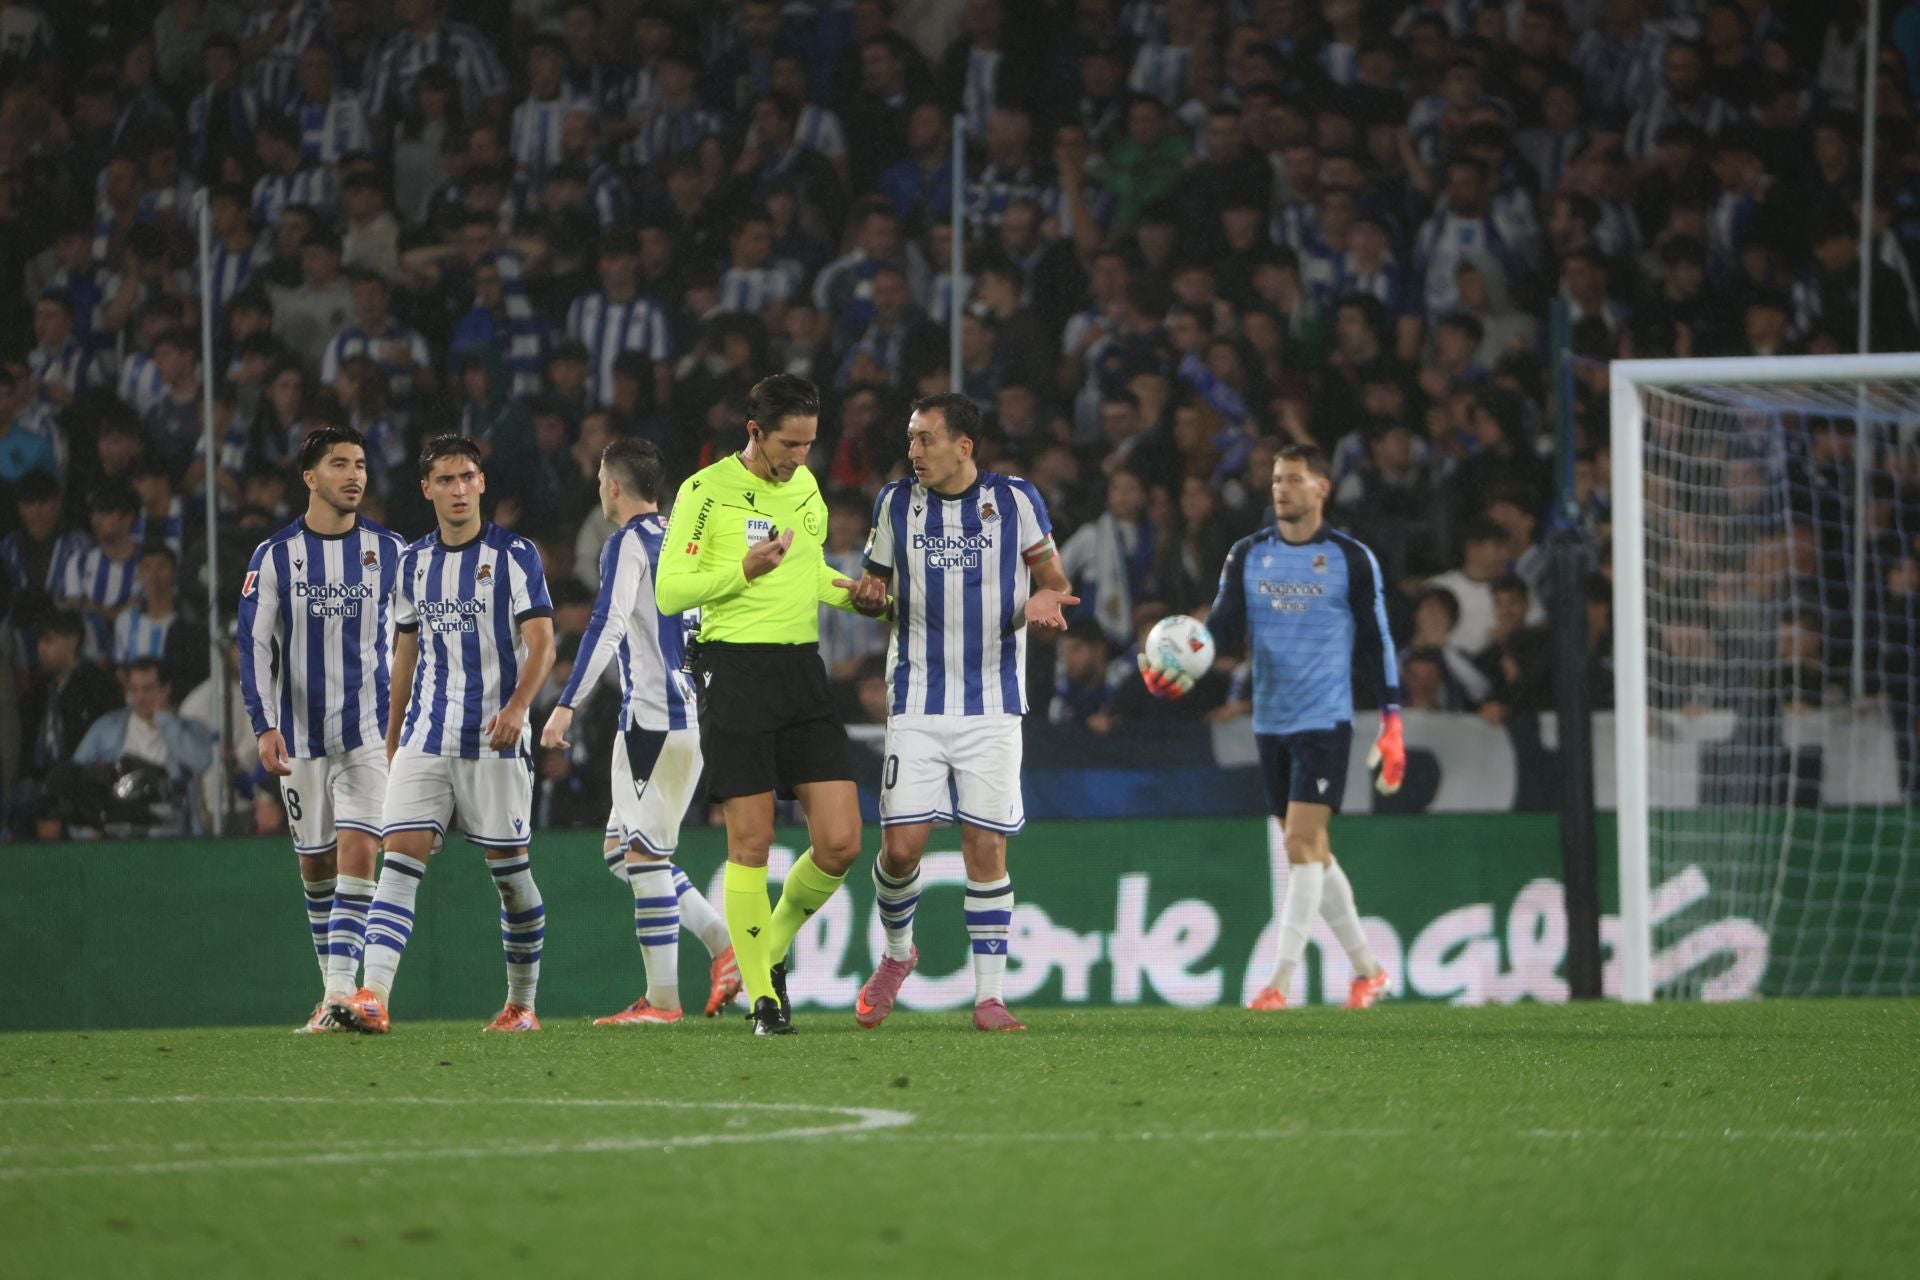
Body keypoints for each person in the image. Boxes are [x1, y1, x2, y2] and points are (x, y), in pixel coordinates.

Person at [653, 374, 888, 1035]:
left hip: (801, 672)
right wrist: (742, 572)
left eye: (809, 444)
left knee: (840, 842)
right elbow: (670, 590)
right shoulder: (704, 491)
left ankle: (769, 947)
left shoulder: (806, 487)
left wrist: (861, 598)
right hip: (734, 671)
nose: (800, 457)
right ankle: (764, 1000)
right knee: (751, 842)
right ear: (754, 432)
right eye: (789, 444)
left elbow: (809, 574)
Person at [838, 393, 1077, 1032]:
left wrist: (1045, 599)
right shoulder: (895, 503)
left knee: (985, 847)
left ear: (963, 446)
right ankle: (897, 955)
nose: (913, 450)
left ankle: (989, 998)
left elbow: (1055, 580)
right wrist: (869, 599)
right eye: (910, 438)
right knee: (900, 850)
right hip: (916, 698)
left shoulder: (1016, 501)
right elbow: (877, 587)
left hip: (992, 704)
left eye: (926, 439)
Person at [329, 435, 556, 1035]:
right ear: (426, 489)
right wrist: (393, 738)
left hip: (495, 740)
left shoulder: (515, 556)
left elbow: (543, 644)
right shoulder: (412, 564)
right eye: (446, 480)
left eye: (468, 478)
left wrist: (518, 707)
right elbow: (404, 656)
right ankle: (374, 996)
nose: (459, 490)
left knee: (511, 878)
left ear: (482, 483)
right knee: (398, 860)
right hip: (426, 737)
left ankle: (521, 1004)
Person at [1174, 443, 1403, 1011]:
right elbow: (1221, 628)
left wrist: (1392, 720)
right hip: (1270, 720)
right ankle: (1370, 972)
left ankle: (1279, 981)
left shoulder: (1350, 558)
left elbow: (1377, 641)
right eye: (1277, 479)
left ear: (1322, 488)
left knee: (1300, 843)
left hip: (1325, 720)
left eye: (1294, 479)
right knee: (1313, 851)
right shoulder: (1248, 554)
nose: (1281, 489)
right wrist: (1181, 663)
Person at [539, 437, 743, 1026]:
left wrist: (566, 704)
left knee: (645, 857)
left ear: (612, 486)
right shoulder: (682, 539)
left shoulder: (626, 543)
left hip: (654, 720)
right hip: (688, 713)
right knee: (619, 852)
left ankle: (662, 1001)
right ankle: (722, 945)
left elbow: (606, 624)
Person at [237, 426, 407, 1033]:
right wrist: (264, 725)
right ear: (310, 477)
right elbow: (254, 645)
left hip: (370, 732)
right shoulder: (275, 556)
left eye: (359, 464)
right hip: (300, 740)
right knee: (315, 869)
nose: (354, 474)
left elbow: (414, 639)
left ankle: (340, 994)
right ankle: (332, 990)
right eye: (339, 464)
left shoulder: (391, 551)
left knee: (360, 848)